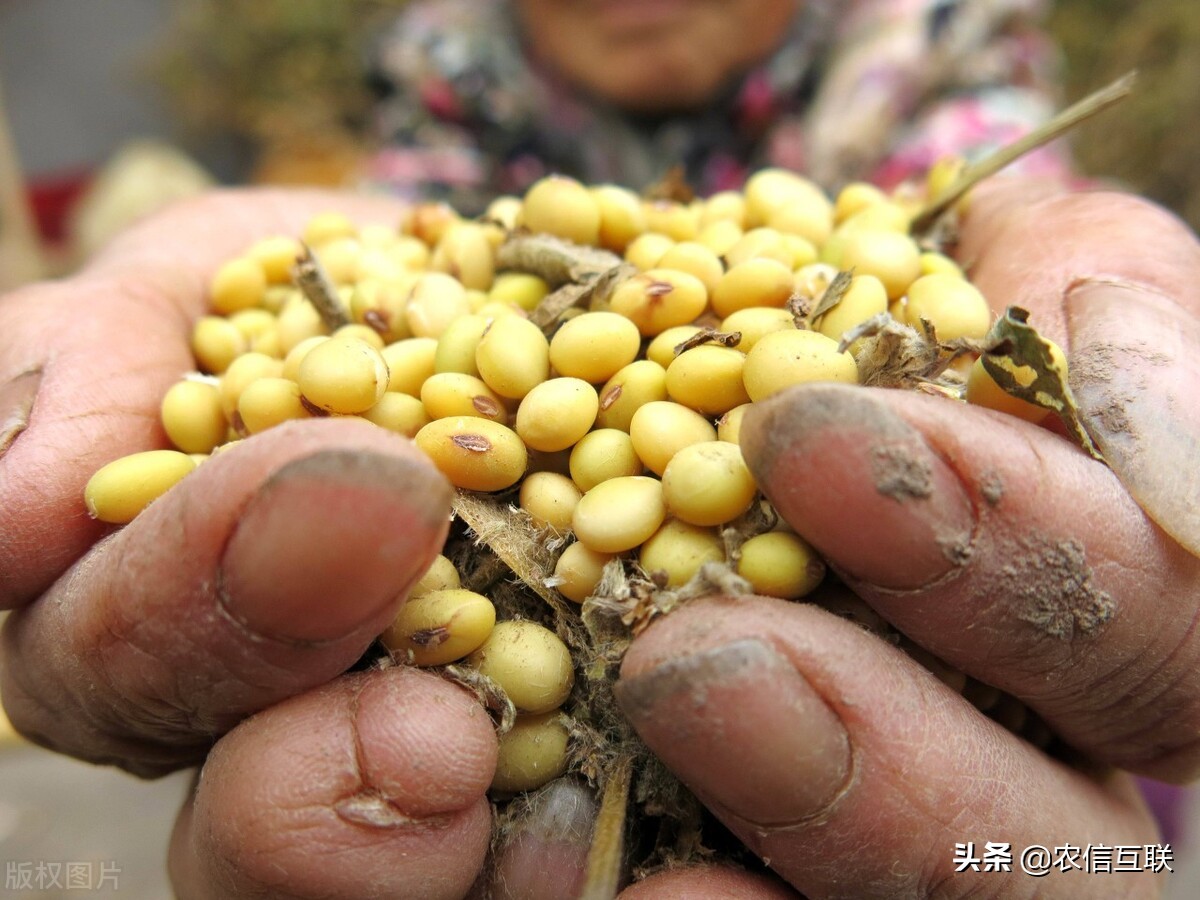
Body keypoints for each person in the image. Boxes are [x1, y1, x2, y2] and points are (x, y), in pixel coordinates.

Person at [0, 1, 1197, 897]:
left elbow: (981, 207)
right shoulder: (446, 68)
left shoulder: (933, 43)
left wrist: (1051, 266)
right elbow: (425, 240)